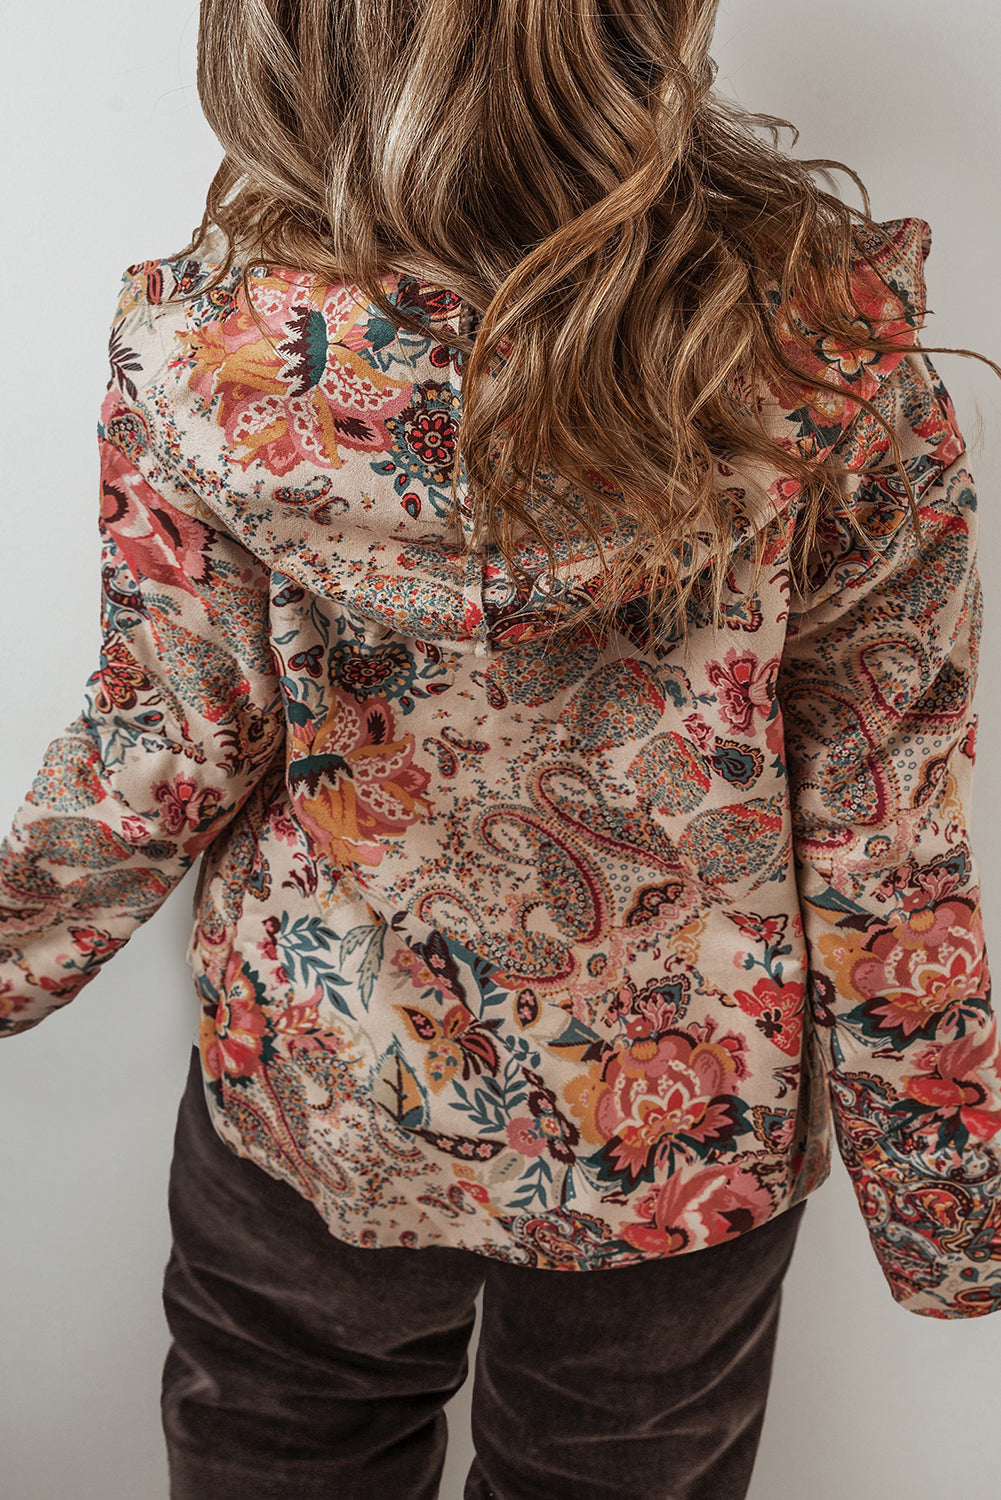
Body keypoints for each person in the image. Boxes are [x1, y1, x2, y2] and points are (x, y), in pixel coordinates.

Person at [2, 1, 1001, 1496]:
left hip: (324, 1084)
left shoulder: (212, 368)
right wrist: (943, 1211)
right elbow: (882, 823)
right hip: (679, 1129)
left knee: (278, 1452)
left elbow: (166, 744)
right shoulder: (824, 357)